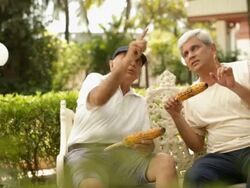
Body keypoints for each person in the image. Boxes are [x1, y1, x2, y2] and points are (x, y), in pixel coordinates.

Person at [65, 29, 177, 188]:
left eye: (138, 61)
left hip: (126, 159)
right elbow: (99, 99)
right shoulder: (95, 79)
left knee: (165, 162)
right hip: (88, 154)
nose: (133, 62)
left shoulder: (139, 102)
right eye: (126, 57)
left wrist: (147, 147)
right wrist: (128, 59)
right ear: (111, 64)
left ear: (139, 72)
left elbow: (147, 144)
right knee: (92, 184)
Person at [164, 28, 250, 188]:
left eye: (194, 48)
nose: (190, 55)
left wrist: (234, 86)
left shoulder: (243, 69)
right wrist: (176, 115)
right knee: (195, 176)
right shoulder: (189, 97)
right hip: (220, 157)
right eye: (186, 54)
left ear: (212, 49)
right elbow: (196, 145)